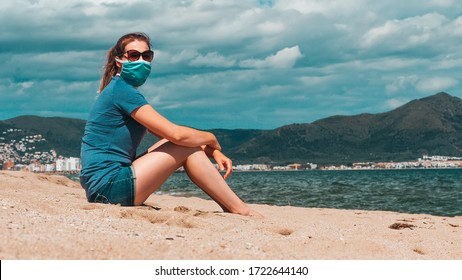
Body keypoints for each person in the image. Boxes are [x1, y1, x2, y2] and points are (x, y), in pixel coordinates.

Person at [80, 32, 260, 217]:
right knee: (184, 146)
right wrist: (212, 138)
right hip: (108, 189)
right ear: (119, 60)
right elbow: (177, 134)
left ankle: (232, 205)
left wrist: (213, 151)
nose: (141, 60)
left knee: (179, 144)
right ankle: (239, 208)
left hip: (103, 188)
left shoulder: (119, 90)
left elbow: (169, 135)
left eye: (146, 56)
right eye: (134, 55)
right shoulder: (122, 91)